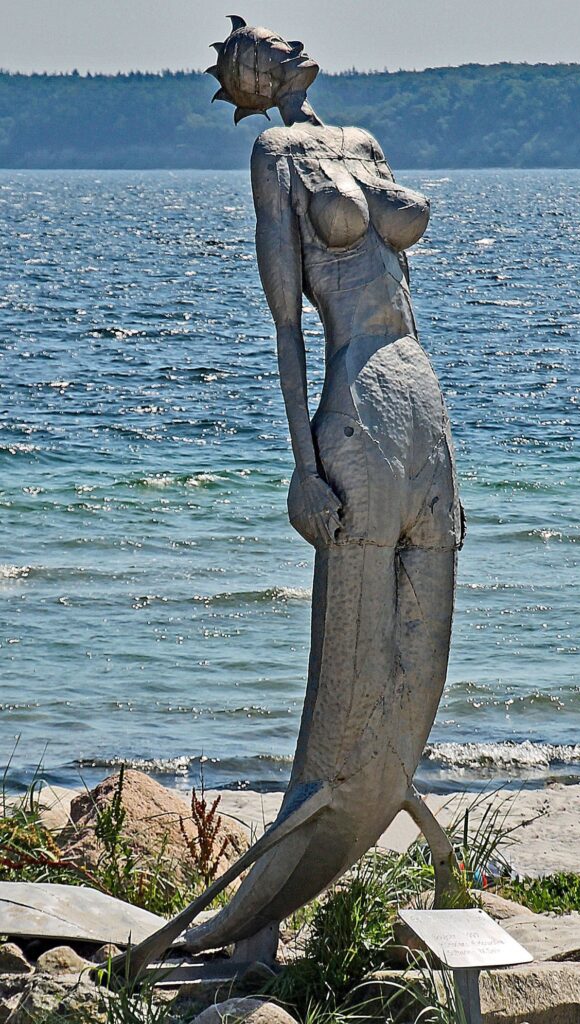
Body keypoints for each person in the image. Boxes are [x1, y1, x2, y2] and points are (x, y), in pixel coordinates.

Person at [185, 18, 463, 954]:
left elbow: (402, 282)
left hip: (417, 388)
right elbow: (286, 324)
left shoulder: (364, 144)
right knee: (345, 670)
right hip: (352, 395)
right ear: (253, 80)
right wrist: (303, 468)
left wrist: (438, 437)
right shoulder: (274, 157)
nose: (287, 47)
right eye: (263, 48)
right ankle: (256, 915)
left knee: (422, 652)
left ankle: (372, 807)